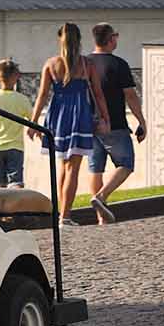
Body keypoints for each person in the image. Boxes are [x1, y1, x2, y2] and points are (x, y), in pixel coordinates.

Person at [31, 22, 110, 221]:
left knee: (63, 167)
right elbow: (98, 94)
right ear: (79, 40)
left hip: (57, 116)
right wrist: (105, 118)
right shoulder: (86, 64)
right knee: (73, 169)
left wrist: (34, 122)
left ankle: (61, 214)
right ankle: (65, 216)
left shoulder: (51, 64)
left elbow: (42, 95)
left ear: (60, 39)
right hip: (79, 115)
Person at [85, 23, 145, 223]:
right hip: (114, 124)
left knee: (96, 169)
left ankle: (101, 216)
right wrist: (141, 120)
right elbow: (130, 95)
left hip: (89, 125)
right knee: (126, 164)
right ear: (110, 39)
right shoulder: (118, 64)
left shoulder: (84, 64)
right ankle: (101, 197)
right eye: (115, 36)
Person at [0, 59, 30, 187]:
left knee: (0, 185)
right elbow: (32, 119)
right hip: (15, 147)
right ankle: (17, 200)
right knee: (16, 183)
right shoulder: (22, 99)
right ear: (16, 77)